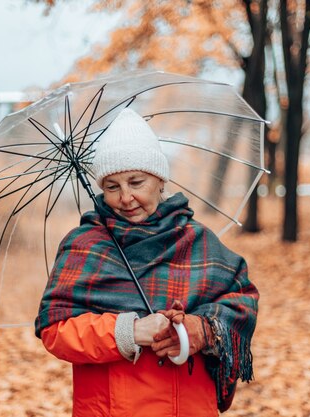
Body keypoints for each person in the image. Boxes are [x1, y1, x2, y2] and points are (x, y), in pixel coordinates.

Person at [35, 108, 259, 417]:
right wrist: (129, 331)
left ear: (159, 179)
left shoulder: (198, 241)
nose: (125, 198)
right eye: (112, 186)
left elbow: (241, 303)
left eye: (136, 182)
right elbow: (56, 331)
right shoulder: (84, 245)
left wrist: (202, 330)